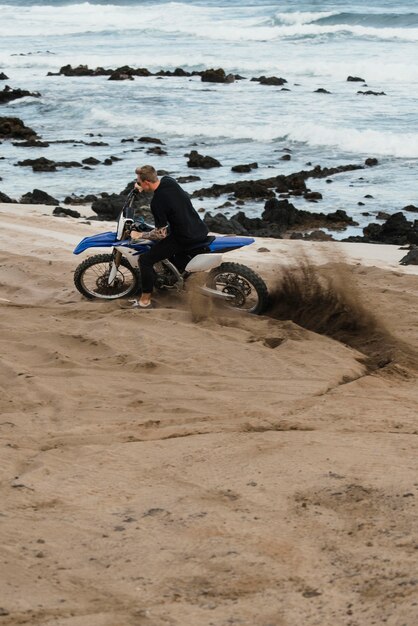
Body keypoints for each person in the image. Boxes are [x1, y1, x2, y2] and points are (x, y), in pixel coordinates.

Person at [130, 165, 209, 308]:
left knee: (146, 260)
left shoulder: (157, 202)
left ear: (146, 182)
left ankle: (145, 301)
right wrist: (140, 187)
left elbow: (161, 234)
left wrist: (141, 234)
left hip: (184, 236)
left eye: (139, 182)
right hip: (198, 227)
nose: (138, 184)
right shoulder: (169, 181)